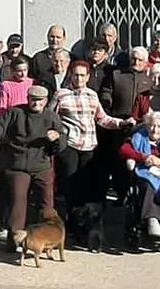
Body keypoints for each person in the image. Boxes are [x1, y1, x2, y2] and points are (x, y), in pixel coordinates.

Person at [52, 61, 131, 229]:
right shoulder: (61, 95)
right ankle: (70, 223)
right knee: (70, 185)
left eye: (82, 75)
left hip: (89, 146)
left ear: (87, 77)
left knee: (86, 185)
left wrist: (121, 123)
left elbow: (102, 119)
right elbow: (50, 118)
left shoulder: (92, 95)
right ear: (70, 75)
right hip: (70, 145)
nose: (78, 78)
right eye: (75, 74)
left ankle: (84, 223)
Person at [0, 86, 65, 247]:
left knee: (47, 202)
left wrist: (56, 138)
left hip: (41, 163)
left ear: (45, 101)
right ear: (27, 99)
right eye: (32, 99)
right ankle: (15, 238)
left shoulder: (51, 117)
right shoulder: (16, 112)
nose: (35, 103)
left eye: (39, 100)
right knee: (18, 199)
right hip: (18, 164)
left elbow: (61, 142)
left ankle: (46, 237)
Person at [101, 46, 153, 204]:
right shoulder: (117, 75)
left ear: (146, 62)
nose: (136, 62)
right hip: (120, 125)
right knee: (119, 163)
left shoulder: (150, 78)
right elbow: (106, 93)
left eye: (140, 60)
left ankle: (139, 196)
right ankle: (121, 195)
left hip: (143, 128)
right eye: (133, 58)